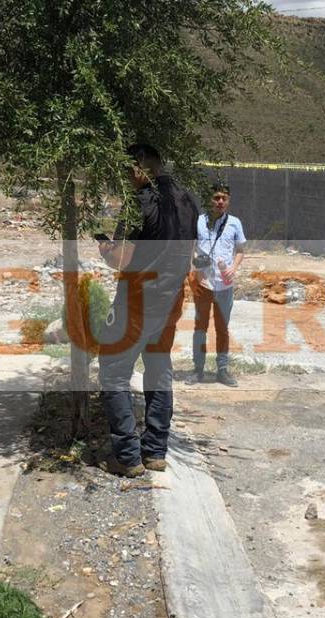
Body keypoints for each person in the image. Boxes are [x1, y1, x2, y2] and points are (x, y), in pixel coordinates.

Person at [96, 144, 199, 477]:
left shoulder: (139, 203)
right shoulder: (187, 200)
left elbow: (122, 259)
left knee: (113, 371)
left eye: (127, 171)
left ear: (139, 167)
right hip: (171, 300)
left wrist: (106, 249)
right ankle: (155, 452)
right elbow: (189, 252)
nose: (125, 178)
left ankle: (127, 458)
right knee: (158, 368)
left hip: (139, 300)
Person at [185, 183, 246, 387]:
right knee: (200, 328)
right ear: (209, 200)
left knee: (222, 328)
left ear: (228, 201)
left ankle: (222, 370)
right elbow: (190, 247)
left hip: (224, 284)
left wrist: (233, 268)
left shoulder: (235, 223)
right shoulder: (199, 222)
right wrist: (193, 269)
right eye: (216, 197)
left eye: (224, 198)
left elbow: (240, 251)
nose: (220, 202)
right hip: (203, 283)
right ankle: (198, 370)